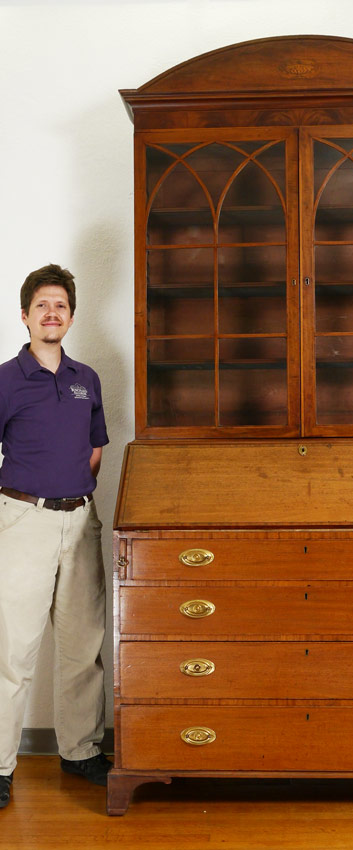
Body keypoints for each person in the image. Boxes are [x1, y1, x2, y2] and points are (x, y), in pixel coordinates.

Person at [0, 264, 111, 809]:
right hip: (24, 520)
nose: (52, 314)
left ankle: (81, 750)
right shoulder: (4, 379)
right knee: (11, 651)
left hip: (80, 520)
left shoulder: (85, 377)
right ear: (25, 316)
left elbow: (95, 448)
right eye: (42, 306)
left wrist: (75, 497)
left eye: (60, 306)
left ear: (71, 316)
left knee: (82, 646)